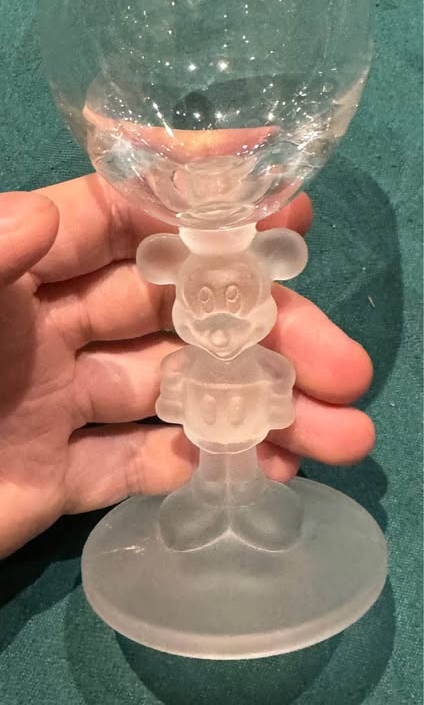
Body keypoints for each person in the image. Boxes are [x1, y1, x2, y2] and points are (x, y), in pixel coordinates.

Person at [0, 173, 374, 559]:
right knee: (210, 466)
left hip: (245, 418)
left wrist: (278, 402)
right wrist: (174, 397)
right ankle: (208, 501)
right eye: (204, 300)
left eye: (235, 297)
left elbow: (278, 372)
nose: (220, 320)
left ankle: (251, 496)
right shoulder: (187, 357)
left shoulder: (260, 358)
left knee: (244, 463)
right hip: (205, 419)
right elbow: (176, 371)